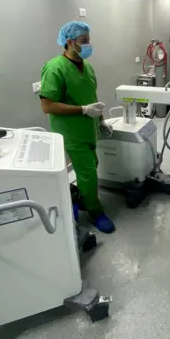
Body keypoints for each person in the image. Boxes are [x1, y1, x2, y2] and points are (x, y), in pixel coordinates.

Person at [39, 21, 115, 233]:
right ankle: (95, 212)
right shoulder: (55, 68)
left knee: (91, 166)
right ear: (70, 42)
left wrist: (100, 120)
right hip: (71, 132)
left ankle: (82, 199)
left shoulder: (87, 66)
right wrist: (82, 110)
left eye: (89, 40)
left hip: (88, 130)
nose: (88, 44)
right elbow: (47, 105)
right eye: (84, 41)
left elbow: (91, 97)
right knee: (88, 173)